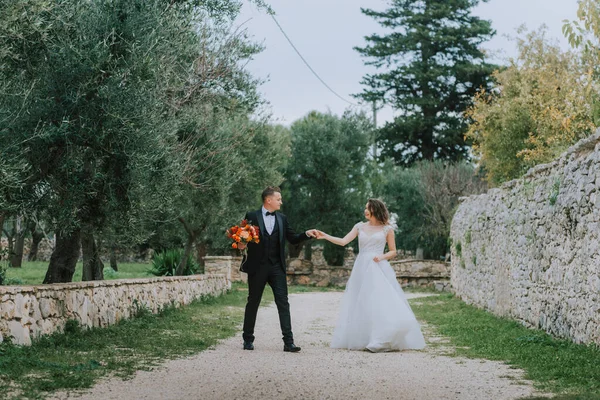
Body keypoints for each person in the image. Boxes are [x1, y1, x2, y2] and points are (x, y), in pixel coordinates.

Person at [316, 199, 426, 352]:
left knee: (379, 301)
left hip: (378, 267)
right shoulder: (359, 227)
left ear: (376, 209)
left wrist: (381, 257)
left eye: (368, 208)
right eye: (365, 208)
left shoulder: (387, 229)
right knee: (362, 301)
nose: (365, 211)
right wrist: (325, 236)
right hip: (361, 267)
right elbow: (343, 241)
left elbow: (393, 251)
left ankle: (379, 339)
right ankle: (365, 337)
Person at [237, 186, 318, 352]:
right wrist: (240, 243)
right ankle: (248, 339)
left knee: (283, 303)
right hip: (257, 267)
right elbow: (243, 239)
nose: (281, 201)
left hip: (277, 267)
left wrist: (307, 234)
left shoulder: (282, 218)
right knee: (253, 302)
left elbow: (293, 239)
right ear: (269, 200)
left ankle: (289, 342)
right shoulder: (251, 216)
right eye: (278, 199)